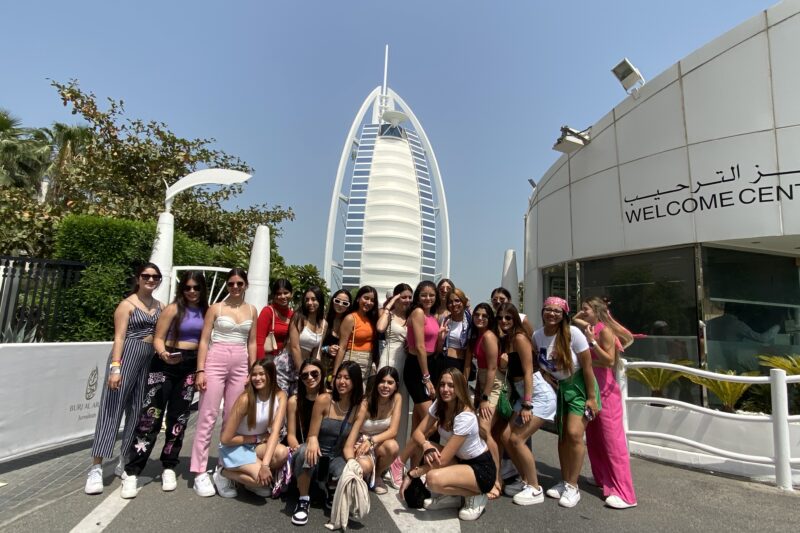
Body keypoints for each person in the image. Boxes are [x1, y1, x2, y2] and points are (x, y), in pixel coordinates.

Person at [120, 270, 208, 498]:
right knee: (151, 416)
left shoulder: (206, 311)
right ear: (182, 289)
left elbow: (206, 342)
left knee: (178, 419)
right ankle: (133, 471)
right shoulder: (172, 309)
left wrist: (200, 369)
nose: (191, 292)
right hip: (165, 363)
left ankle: (169, 465)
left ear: (202, 289)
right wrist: (163, 354)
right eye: (187, 287)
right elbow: (158, 338)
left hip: (189, 365)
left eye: (196, 288)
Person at [85, 263, 163, 495]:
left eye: (155, 276)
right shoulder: (126, 305)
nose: (150, 279)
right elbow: (118, 338)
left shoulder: (161, 306)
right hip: (127, 354)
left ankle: (125, 459)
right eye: (146, 276)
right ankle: (96, 467)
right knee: (112, 408)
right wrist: (115, 368)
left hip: (149, 359)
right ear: (138, 278)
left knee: (138, 411)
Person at [190, 268, 258, 497]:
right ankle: (199, 471)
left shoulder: (252, 310)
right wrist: (200, 369)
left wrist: (253, 370)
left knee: (232, 418)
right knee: (207, 415)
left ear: (246, 285)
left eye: (239, 283)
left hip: (240, 364)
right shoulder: (216, 308)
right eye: (231, 283)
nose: (235, 287)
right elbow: (204, 340)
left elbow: (252, 342)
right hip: (215, 360)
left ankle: (223, 469)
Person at [404, 368, 496, 521]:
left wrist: (414, 473)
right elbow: (417, 433)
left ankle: (477, 494)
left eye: (451, 385)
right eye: (442, 384)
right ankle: (454, 496)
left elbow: (443, 460)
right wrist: (426, 445)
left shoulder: (465, 416)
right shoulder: (440, 404)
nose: (445, 389)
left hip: (481, 469)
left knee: (432, 479)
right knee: (427, 446)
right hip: (460, 460)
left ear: (459, 388)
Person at [535, 296, 600, 508]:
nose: (552, 314)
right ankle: (564, 480)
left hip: (579, 386)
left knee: (574, 434)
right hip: (559, 388)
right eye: (548, 310)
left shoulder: (574, 334)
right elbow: (539, 364)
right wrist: (546, 379)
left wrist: (591, 398)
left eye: (557, 311)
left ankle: (573, 486)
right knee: (562, 436)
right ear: (543, 312)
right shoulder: (537, 336)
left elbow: (588, 367)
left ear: (564, 315)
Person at [573, 296, 637, 509]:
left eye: (586, 309)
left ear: (596, 311)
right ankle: (602, 478)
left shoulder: (604, 331)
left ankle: (625, 493)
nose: (582, 313)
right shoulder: (591, 326)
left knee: (612, 441)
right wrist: (583, 315)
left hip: (607, 392)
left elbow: (609, 361)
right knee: (595, 436)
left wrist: (591, 343)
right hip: (592, 389)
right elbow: (574, 319)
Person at [495, 302, 556, 506]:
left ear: (515, 319)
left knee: (517, 439)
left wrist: (528, 404)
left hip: (537, 395)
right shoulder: (508, 339)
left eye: (508, 318)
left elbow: (529, 371)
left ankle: (535, 488)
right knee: (505, 436)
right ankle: (525, 480)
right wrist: (504, 364)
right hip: (523, 395)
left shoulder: (520, 338)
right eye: (501, 318)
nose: (504, 321)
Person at [291, 361, 364, 526]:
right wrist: (313, 441)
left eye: (347, 378)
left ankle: (331, 490)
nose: (342, 382)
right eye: (339, 377)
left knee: (349, 468)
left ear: (356, 382)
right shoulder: (324, 399)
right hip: (316, 450)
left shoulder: (359, 408)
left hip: (336, 455)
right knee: (304, 452)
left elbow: (348, 446)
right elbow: (312, 434)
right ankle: (303, 500)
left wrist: (353, 463)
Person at [388, 281, 445, 488]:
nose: (428, 298)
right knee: (432, 421)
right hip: (418, 369)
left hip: (429, 364)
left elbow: (430, 345)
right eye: (423, 295)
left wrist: (441, 338)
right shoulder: (419, 313)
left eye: (431, 295)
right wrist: (427, 378)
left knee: (420, 423)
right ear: (418, 296)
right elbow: (420, 346)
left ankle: (412, 470)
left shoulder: (433, 316)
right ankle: (399, 461)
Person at [213, 360, 289, 499]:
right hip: (234, 447)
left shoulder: (280, 396)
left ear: (271, 375)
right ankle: (222, 473)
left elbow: (275, 432)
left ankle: (249, 481)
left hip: (255, 446)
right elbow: (225, 439)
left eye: (262, 374)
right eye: (254, 374)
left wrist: (265, 465)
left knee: (282, 453)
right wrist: (256, 438)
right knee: (260, 481)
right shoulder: (245, 399)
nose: (257, 378)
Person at [343, 366, 402, 494]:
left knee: (393, 447)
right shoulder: (366, 402)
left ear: (396, 385)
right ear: (376, 383)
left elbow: (393, 431)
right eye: (382, 381)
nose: (385, 386)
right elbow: (353, 431)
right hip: (360, 442)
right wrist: (350, 453)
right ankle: (365, 473)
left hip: (378, 441)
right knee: (364, 467)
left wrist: (371, 441)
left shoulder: (397, 398)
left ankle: (377, 475)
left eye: (390, 382)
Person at [465, 303, 502, 500]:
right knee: (485, 431)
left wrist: (486, 398)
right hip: (483, 381)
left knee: (485, 431)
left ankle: (496, 479)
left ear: (490, 318)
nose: (480, 318)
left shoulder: (488, 336)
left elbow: (493, 369)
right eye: (477, 315)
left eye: (484, 316)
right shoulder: (477, 335)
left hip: (493, 384)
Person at [376, 283, 412, 451]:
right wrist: (389, 305)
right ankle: (378, 447)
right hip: (389, 361)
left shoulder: (412, 317)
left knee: (401, 407)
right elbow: (380, 327)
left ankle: (396, 454)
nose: (407, 300)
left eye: (409, 297)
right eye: (403, 297)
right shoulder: (388, 315)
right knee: (383, 403)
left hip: (406, 364)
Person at [256, 279, 295, 394]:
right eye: (278, 293)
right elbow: (259, 342)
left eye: (286, 293)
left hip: (287, 365)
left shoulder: (293, 315)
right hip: (270, 361)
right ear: (274, 295)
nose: (282, 296)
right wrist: (261, 368)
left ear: (291, 294)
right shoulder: (268, 311)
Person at [334, 286, 379, 382]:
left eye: (372, 300)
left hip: (368, 363)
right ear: (358, 298)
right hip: (353, 359)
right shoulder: (350, 318)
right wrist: (335, 374)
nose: (369, 302)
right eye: (366, 298)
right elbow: (342, 347)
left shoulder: (372, 319)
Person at [287, 287, 327, 395]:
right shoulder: (298, 318)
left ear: (320, 301)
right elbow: (294, 347)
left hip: (306, 368)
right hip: (288, 365)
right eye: (307, 300)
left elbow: (316, 351)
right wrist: (302, 373)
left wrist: (314, 372)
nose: (310, 303)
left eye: (314, 299)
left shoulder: (323, 324)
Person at [287, 359, 325, 452]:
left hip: (324, 447)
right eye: (305, 375)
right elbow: (291, 435)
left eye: (314, 373)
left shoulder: (330, 397)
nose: (310, 378)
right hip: (302, 446)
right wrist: (297, 449)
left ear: (322, 374)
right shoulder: (294, 401)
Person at [320, 289, 351, 385]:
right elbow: (314, 344)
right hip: (323, 364)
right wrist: (327, 349)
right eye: (337, 301)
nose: (340, 305)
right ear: (332, 300)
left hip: (341, 367)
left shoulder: (350, 321)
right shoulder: (323, 319)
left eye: (345, 303)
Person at [441, 288, 471, 377]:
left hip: (459, 364)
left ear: (463, 302)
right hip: (443, 361)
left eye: (457, 301)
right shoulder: (445, 321)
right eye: (450, 302)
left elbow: (469, 355)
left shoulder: (469, 323)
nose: (454, 304)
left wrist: (465, 378)